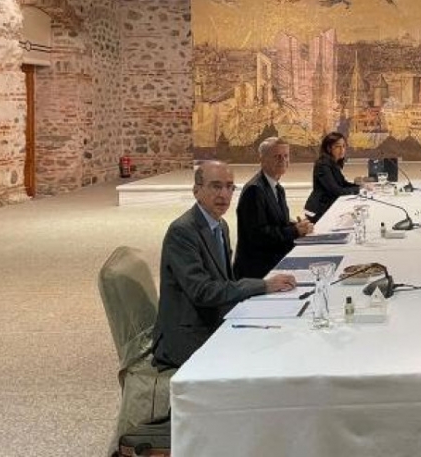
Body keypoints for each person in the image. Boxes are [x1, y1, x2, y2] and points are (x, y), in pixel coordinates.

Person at [152, 161, 296, 370]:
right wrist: (263, 285)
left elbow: (225, 282)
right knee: (262, 360)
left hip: (216, 316)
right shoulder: (182, 232)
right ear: (196, 191)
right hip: (188, 334)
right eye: (216, 186)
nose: (224, 194)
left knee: (281, 335)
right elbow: (202, 291)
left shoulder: (221, 225)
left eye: (230, 187)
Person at [233, 137, 314, 280]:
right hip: (258, 271)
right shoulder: (254, 190)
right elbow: (259, 235)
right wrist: (295, 231)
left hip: (274, 260)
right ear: (262, 159)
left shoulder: (278, 188)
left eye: (286, 156)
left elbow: (278, 223)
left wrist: (297, 225)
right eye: (277, 156)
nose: (283, 160)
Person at [304, 132, 361, 223]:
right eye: (338, 146)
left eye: (343, 146)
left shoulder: (332, 163)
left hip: (327, 207)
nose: (342, 149)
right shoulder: (323, 165)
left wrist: (361, 187)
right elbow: (336, 191)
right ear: (329, 148)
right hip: (318, 210)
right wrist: (359, 190)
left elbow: (343, 183)